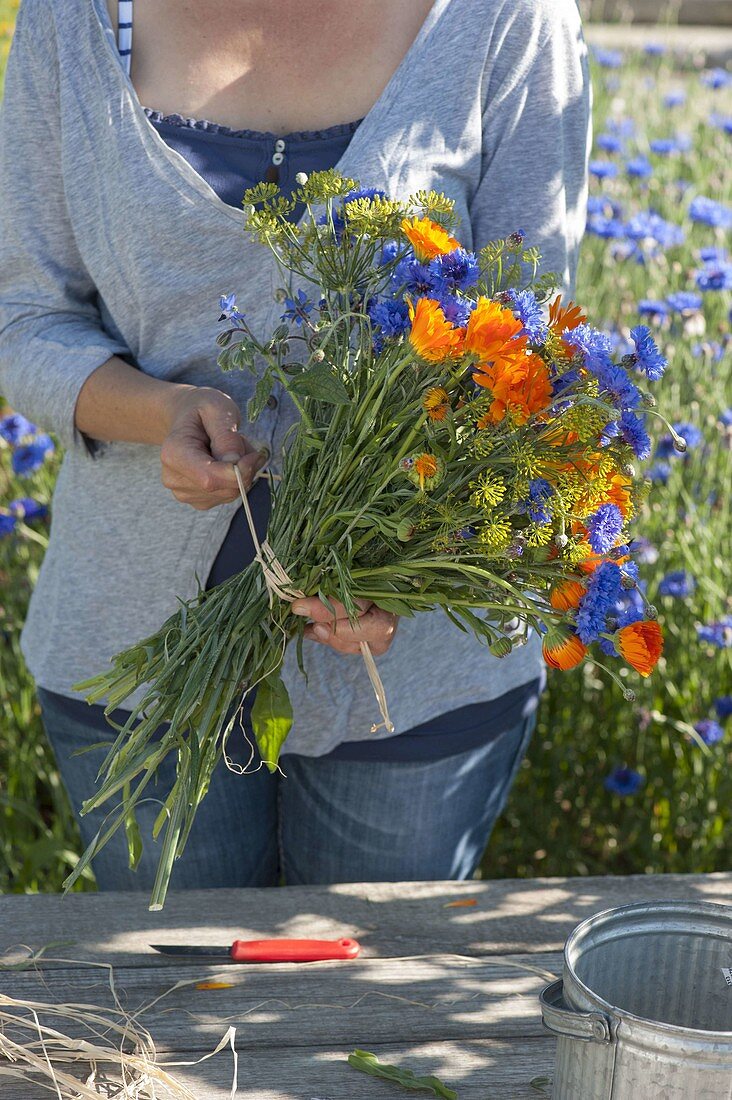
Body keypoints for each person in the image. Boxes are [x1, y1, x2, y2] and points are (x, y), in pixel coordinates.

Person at [0, 0, 591, 891]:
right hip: (134, 664)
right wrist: (158, 411)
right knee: (181, 1002)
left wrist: (411, 560)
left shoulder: (505, 17)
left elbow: (530, 352)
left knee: (373, 1008)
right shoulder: (76, 19)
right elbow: (25, 318)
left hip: (415, 684)